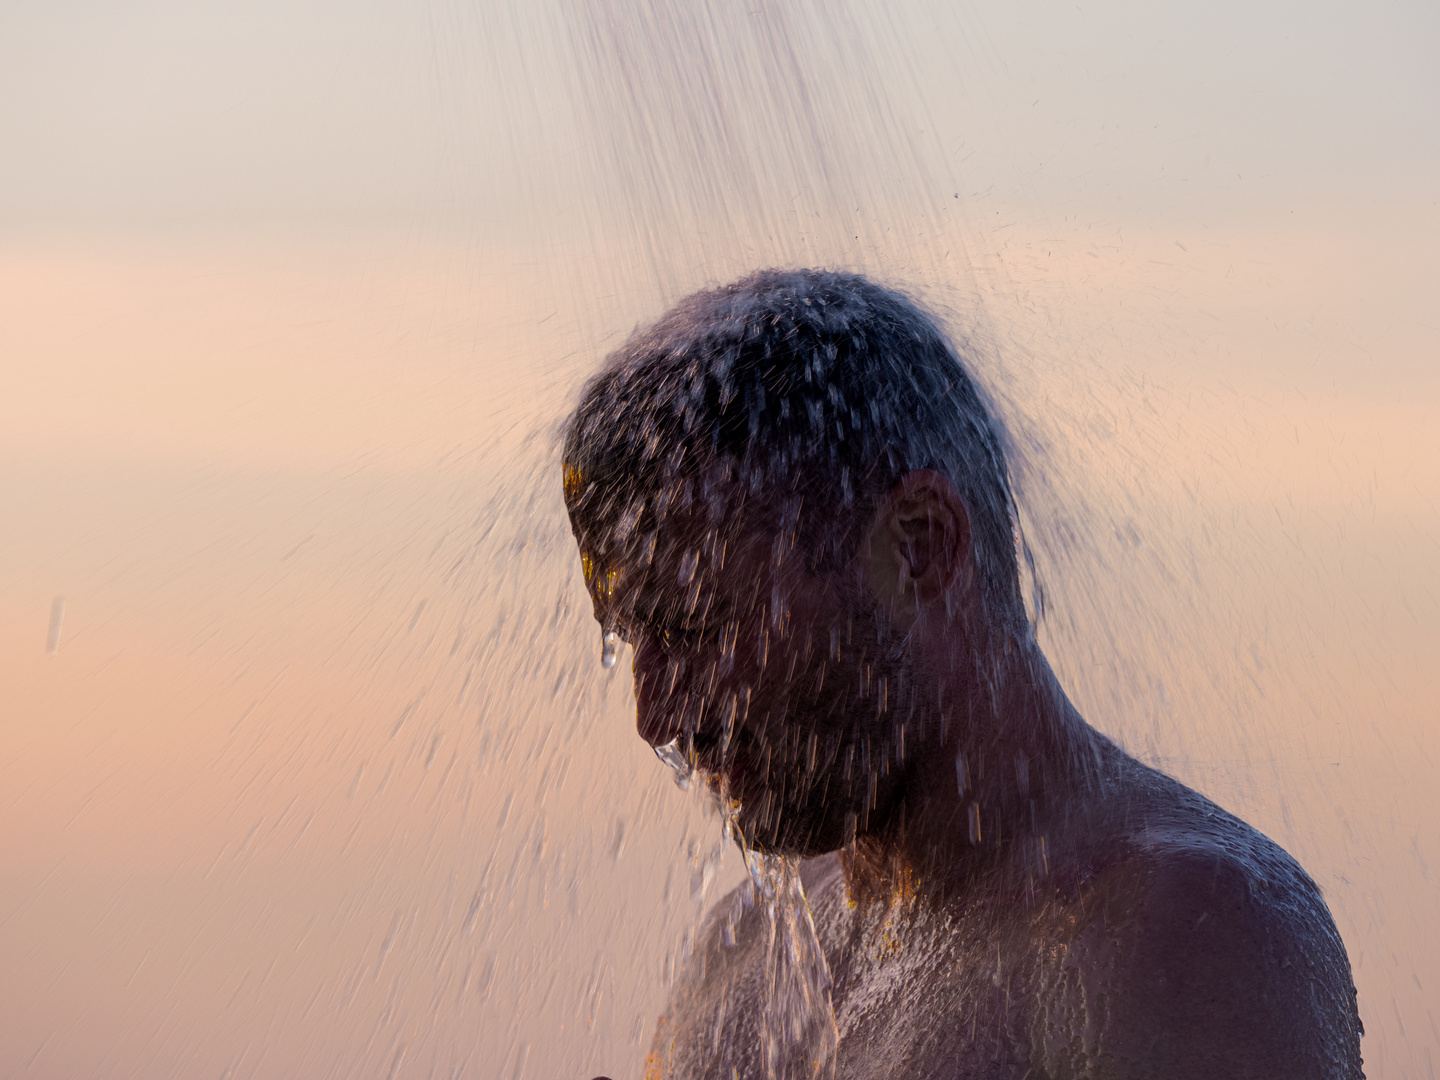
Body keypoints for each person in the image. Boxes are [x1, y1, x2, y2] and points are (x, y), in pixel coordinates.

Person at [562, 270, 1364, 1079]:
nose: (657, 713)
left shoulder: (1182, 931)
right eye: (634, 643)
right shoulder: (746, 955)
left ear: (920, 547)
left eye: (698, 627)